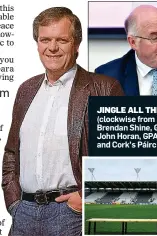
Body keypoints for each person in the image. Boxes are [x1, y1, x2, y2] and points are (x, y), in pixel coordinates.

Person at [2, 7, 123, 236]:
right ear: (37, 43)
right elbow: (11, 153)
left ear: (76, 44)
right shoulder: (26, 90)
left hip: (71, 215)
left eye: (62, 40)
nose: (52, 47)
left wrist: (83, 199)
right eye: (45, 39)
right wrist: (14, 203)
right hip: (24, 213)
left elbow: (121, 156)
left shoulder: (105, 88)